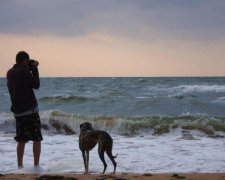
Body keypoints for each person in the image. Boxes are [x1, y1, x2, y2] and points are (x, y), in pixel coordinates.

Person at [7, 51, 43, 168]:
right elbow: (36, 85)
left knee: (21, 140)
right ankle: (36, 165)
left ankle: (20, 166)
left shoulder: (10, 73)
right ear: (26, 61)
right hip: (30, 110)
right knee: (36, 138)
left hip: (18, 112)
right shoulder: (25, 72)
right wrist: (35, 69)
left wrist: (29, 67)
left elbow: (19, 74)